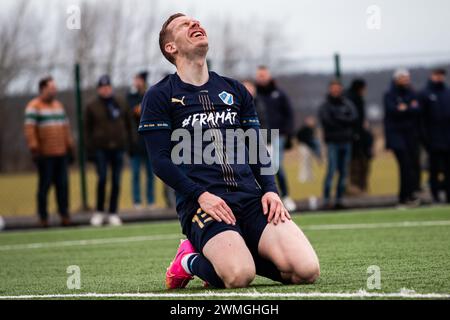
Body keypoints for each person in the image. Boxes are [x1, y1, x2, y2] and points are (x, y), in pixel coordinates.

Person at [139, 13, 319, 289]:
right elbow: (160, 162)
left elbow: (256, 146)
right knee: (238, 276)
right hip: (203, 205)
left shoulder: (234, 90)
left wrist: (270, 189)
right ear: (170, 48)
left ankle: (239, 246)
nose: (195, 24)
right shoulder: (160, 95)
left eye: (196, 21)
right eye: (184, 25)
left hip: (251, 199)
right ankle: (187, 259)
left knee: (306, 271)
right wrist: (201, 196)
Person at [85, 75, 135, 226]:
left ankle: (113, 212)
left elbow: (129, 123)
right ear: (99, 89)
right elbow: (86, 130)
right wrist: (90, 151)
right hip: (101, 148)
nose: (105, 90)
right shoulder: (91, 106)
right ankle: (99, 211)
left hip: (118, 148)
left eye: (108, 87)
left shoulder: (120, 102)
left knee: (116, 181)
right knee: (102, 179)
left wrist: (130, 143)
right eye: (103, 87)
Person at [24, 76, 74, 227]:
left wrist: (70, 147)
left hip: (61, 153)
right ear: (43, 89)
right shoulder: (34, 106)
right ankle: (43, 217)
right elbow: (30, 130)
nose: (54, 91)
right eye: (51, 88)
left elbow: (66, 128)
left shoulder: (58, 105)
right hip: (45, 154)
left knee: (63, 186)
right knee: (44, 186)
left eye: (55, 88)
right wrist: (34, 148)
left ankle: (64, 215)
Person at [254, 66, 296, 211]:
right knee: (261, 168)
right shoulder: (253, 95)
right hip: (259, 136)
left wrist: (288, 133)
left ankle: (285, 196)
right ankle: (264, 198)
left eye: (264, 75)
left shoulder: (279, 94)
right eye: (259, 75)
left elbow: (289, 113)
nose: (262, 78)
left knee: (276, 167)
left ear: (269, 76)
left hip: (277, 135)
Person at [383, 69, 421, 207]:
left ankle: (410, 195)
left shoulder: (412, 93)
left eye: (407, 77)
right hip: (396, 136)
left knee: (413, 165)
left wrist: (405, 109)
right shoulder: (389, 94)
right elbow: (393, 111)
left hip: (411, 135)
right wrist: (407, 108)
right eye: (403, 78)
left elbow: (417, 109)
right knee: (404, 165)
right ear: (396, 79)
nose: (406, 80)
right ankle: (404, 196)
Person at [318, 80, 357, 210]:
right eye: (333, 88)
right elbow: (327, 121)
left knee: (344, 172)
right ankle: (326, 200)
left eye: (337, 88)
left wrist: (338, 118)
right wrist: (343, 119)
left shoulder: (348, 104)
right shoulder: (325, 106)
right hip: (332, 143)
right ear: (330, 89)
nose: (335, 90)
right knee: (331, 171)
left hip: (346, 141)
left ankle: (339, 200)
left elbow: (354, 119)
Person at [419, 68, 450, 203]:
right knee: (434, 170)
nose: (440, 78)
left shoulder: (447, 93)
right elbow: (421, 120)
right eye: (437, 75)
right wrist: (426, 139)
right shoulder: (425, 94)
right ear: (432, 76)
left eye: (442, 75)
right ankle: (435, 196)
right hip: (433, 140)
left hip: (448, 139)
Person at [127, 71, 156, 210]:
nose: (136, 82)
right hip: (135, 143)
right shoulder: (130, 97)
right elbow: (133, 112)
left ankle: (151, 201)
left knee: (151, 174)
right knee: (136, 174)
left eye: (138, 80)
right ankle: (137, 201)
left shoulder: (151, 93)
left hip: (150, 143)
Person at [345, 79, 374, 195]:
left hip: (359, 138)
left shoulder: (352, 99)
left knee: (359, 165)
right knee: (357, 166)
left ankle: (358, 189)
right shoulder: (354, 100)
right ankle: (357, 189)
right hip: (356, 139)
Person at [296, 116, 322, 183]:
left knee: (309, 163)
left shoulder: (312, 129)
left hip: (309, 148)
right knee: (304, 163)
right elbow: (299, 137)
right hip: (304, 147)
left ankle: (310, 177)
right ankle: (302, 178)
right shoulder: (304, 129)